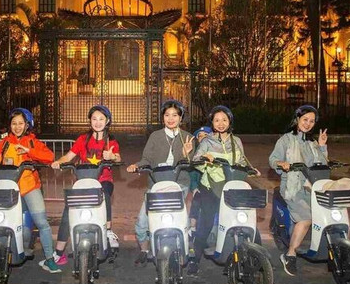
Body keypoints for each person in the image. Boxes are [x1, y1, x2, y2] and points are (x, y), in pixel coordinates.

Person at [0, 108, 60, 273]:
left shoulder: (32, 142)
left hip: (29, 188)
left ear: (27, 125)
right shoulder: (5, 143)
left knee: (42, 222)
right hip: (7, 190)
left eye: (21, 123)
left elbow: (49, 157)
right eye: (14, 123)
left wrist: (29, 151)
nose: (17, 126)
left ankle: (49, 258)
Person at [188, 105, 257, 275]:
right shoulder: (207, 141)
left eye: (224, 120)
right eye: (217, 120)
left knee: (240, 220)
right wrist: (205, 157)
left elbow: (242, 160)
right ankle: (194, 258)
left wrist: (251, 169)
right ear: (212, 122)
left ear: (229, 122)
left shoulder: (236, 141)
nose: (220, 123)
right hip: (211, 185)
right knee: (206, 222)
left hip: (232, 185)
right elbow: (196, 159)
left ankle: (245, 255)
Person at [126, 100, 194, 265]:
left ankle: (185, 246)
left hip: (179, 184)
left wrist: (186, 153)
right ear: (162, 117)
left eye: (175, 115)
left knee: (180, 219)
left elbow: (190, 164)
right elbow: (147, 159)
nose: (171, 119)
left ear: (181, 117)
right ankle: (144, 249)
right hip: (156, 184)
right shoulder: (155, 136)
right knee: (142, 221)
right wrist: (137, 165)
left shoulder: (188, 137)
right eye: (167, 115)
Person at [51, 105, 121, 264]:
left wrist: (112, 157)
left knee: (104, 193)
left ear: (107, 121)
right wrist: (58, 162)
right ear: (90, 121)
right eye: (94, 119)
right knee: (68, 210)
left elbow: (117, 157)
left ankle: (108, 230)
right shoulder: (83, 139)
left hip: (103, 180)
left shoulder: (111, 140)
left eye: (101, 119)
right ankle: (59, 251)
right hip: (83, 182)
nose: (97, 122)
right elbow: (69, 156)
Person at [269, 105, 328, 276]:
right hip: (292, 187)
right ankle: (290, 254)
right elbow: (273, 159)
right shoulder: (286, 140)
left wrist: (322, 146)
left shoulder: (312, 143)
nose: (308, 124)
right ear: (297, 120)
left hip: (312, 187)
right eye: (305, 120)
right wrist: (282, 163)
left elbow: (322, 165)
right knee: (306, 218)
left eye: (311, 121)